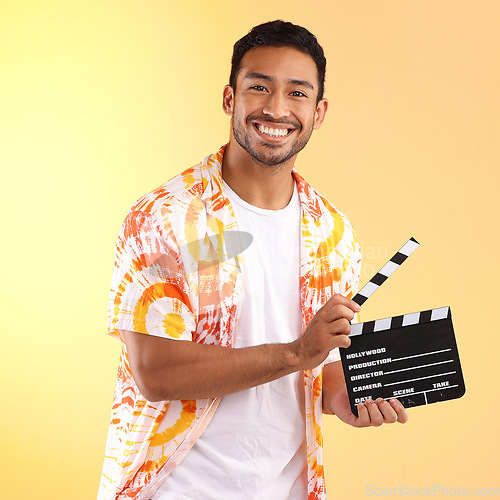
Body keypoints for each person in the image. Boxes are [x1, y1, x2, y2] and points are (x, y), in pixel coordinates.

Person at [97, 20, 408, 500]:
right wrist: (295, 353)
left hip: (287, 488)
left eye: (297, 93)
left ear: (319, 111)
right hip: (173, 488)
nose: (276, 108)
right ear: (230, 98)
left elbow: (315, 366)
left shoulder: (333, 233)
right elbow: (155, 372)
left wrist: (341, 395)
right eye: (259, 87)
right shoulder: (163, 217)